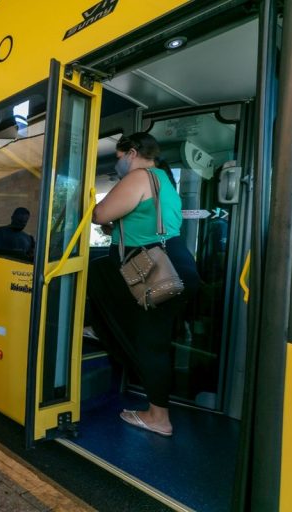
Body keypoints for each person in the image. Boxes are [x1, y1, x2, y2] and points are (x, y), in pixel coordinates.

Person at [88, 133, 200, 437]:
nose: (118, 163)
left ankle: (158, 417)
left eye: (119, 157)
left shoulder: (140, 176)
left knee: (151, 344)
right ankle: (103, 332)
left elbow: (99, 214)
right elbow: (140, 221)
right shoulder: (164, 180)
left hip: (157, 270)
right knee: (153, 340)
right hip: (173, 264)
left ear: (132, 153)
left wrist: (94, 209)